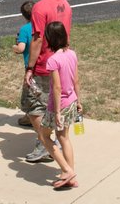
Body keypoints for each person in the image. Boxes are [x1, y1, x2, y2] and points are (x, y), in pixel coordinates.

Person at [24, 0, 73, 164]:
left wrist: (30, 67)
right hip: (63, 61)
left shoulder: (40, 7)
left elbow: (37, 40)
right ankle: (51, 140)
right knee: (53, 103)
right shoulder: (66, 4)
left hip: (44, 64)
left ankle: (45, 143)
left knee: (34, 105)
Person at [43, 20, 81, 189]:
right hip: (72, 100)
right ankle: (70, 175)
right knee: (64, 137)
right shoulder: (72, 54)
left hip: (58, 105)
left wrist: (57, 112)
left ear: (50, 39)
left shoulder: (53, 60)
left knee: (44, 136)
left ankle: (66, 170)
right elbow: (76, 80)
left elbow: (57, 87)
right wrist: (79, 101)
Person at [13, 1, 35, 127]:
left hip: (30, 65)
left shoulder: (25, 29)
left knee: (29, 91)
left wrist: (14, 47)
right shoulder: (44, 24)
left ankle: (29, 116)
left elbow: (21, 48)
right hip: (44, 63)